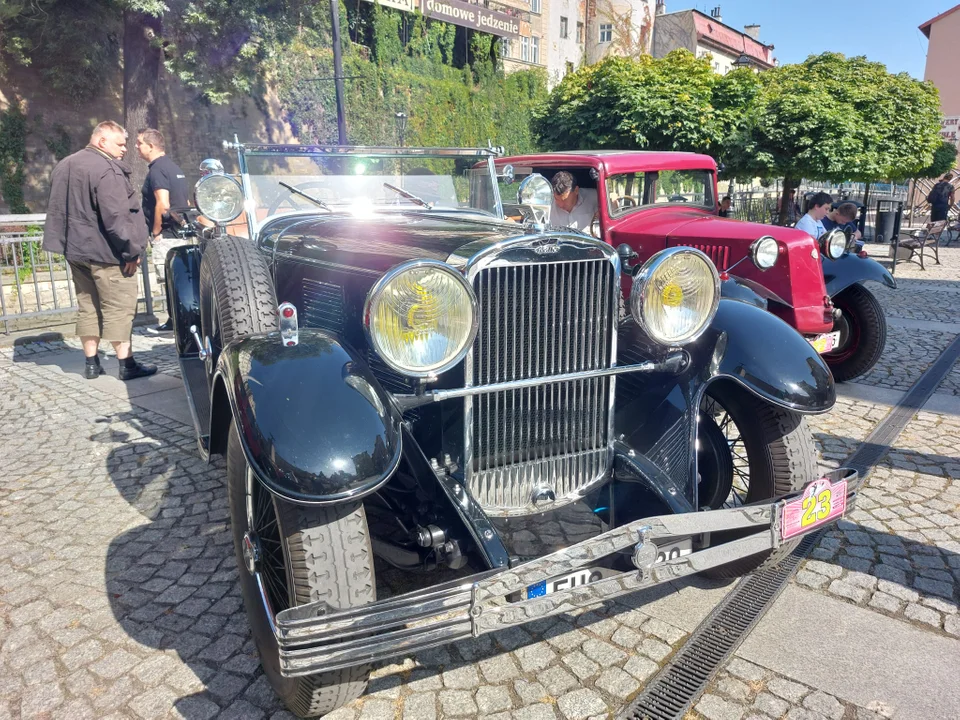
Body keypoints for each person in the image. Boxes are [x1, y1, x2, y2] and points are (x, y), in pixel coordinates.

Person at [43, 121, 157, 381]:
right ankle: (126, 364)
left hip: (76, 250)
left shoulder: (65, 164)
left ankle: (92, 363)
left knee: (88, 306)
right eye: (119, 144)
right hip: (107, 254)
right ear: (101, 141)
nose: (125, 149)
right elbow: (116, 216)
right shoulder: (106, 169)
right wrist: (132, 252)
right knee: (119, 307)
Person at [136, 128, 189, 333]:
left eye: (140, 143)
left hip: (167, 235)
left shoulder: (157, 170)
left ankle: (174, 322)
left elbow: (163, 204)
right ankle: (181, 321)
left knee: (170, 281)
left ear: (151, 146)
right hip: (179, 233)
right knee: (180, 280)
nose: (136, 147)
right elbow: (183, 202)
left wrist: (156, 231)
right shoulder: (174, 167)